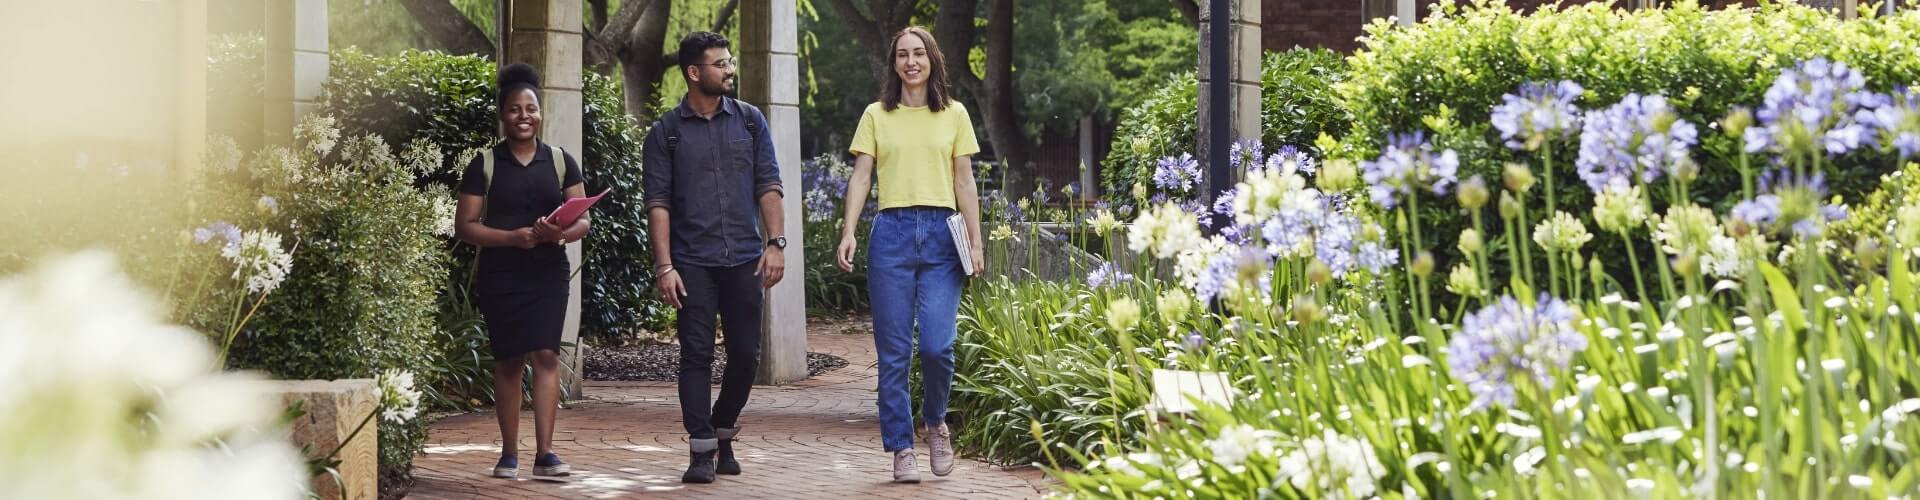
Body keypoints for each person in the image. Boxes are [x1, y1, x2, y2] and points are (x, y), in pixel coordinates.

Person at [835, 26, 986, 484]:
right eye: (902, 55)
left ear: (932, 59)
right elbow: (861, 178)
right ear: (894, 64)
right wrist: (849, 232)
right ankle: (901, 447)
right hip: (891, 236)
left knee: (939, 346)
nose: (911, 61)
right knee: (895, 352)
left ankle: (936, 421)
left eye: (919, 53)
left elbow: (964, 182)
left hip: (943, 236)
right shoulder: (876, 115)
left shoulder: (955, 115)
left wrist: (976, 243)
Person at [642, 31, 787, 484]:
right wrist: (665, 266)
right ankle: (702, 449)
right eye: (720, 64)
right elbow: (658, 203)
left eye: (729, 62)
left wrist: (776, 243)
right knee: (696, 355)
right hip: (692, 263)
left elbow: (769, 183)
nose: (729, 70)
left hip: (745, 258)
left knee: (746, 354)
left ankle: (723, 429)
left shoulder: (749, 121)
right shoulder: (664, 133)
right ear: (693, 72)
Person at [453, 62, 589, 480]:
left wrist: (557, 235)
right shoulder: (484, 164)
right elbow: (465, 226)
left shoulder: (561, 161)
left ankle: (546, 454)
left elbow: (583, 220)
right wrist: (513, 237)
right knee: (510, 360)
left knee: (546, 354)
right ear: (503, 115)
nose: (524, 116)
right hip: (502, 275)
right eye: (515, 109)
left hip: (548, 272)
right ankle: (509, 454)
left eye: (531, 108)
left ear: (540, 113)